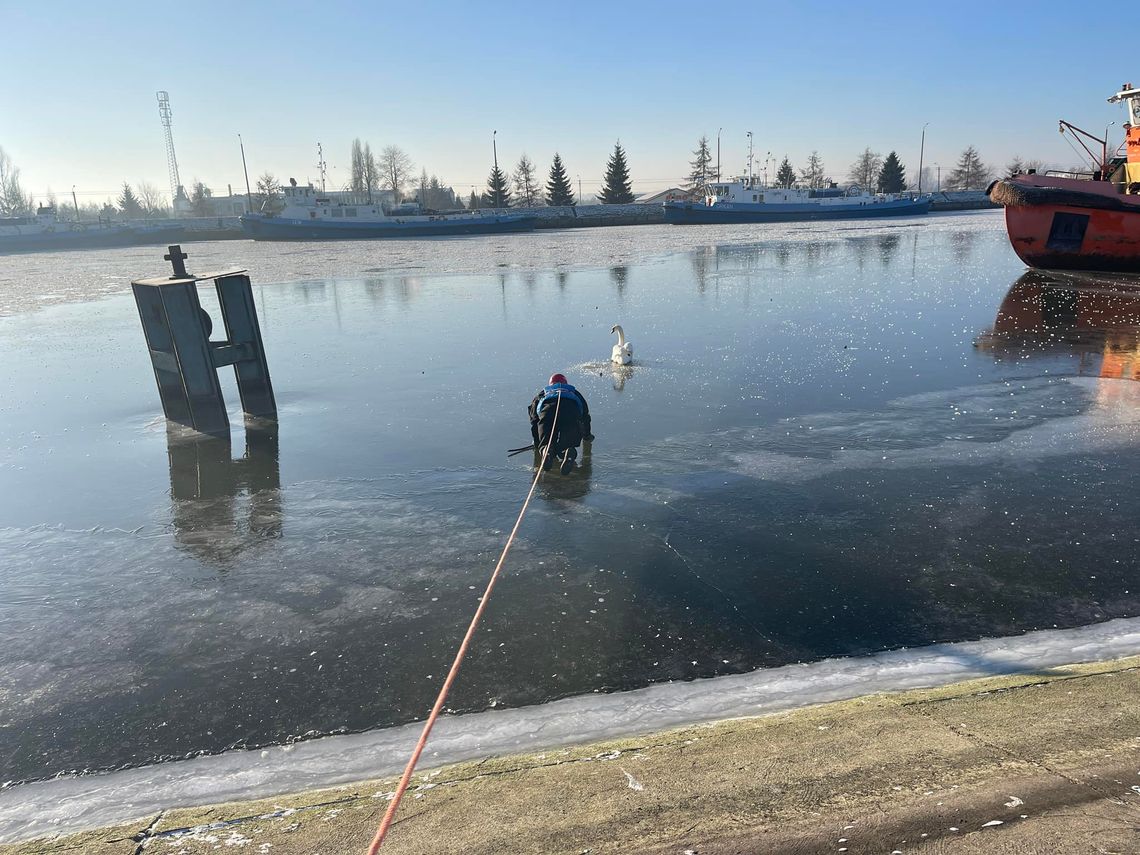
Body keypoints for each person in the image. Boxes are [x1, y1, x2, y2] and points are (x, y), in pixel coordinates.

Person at [529, 373, 593, 474]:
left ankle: (546, 450)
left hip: (547, 413)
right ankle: (568, 451)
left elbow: (534, 420)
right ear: (566, 383)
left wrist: (538, 443)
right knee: (568, 444)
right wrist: (587, 436)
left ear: (550, 384)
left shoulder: (543, 394)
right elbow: (585, 417)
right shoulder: (574, 393)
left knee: (547, 444)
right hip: (571, 412)